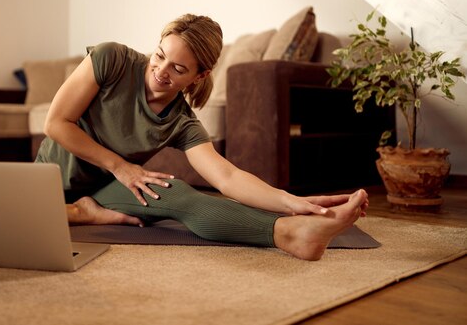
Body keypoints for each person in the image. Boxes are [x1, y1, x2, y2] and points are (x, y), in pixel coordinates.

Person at [35, 13, 369, 261]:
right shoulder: (112, 59)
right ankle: (77, 213)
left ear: (200, 76)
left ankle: (290, 232)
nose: (161, 71)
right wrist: (120, 166)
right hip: (49, 181)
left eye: (178, 69)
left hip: (106, 190)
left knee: (175, 192)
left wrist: (291, 202)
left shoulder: (182, 122)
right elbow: (57, 123)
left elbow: (227, 176)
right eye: (160, 55)